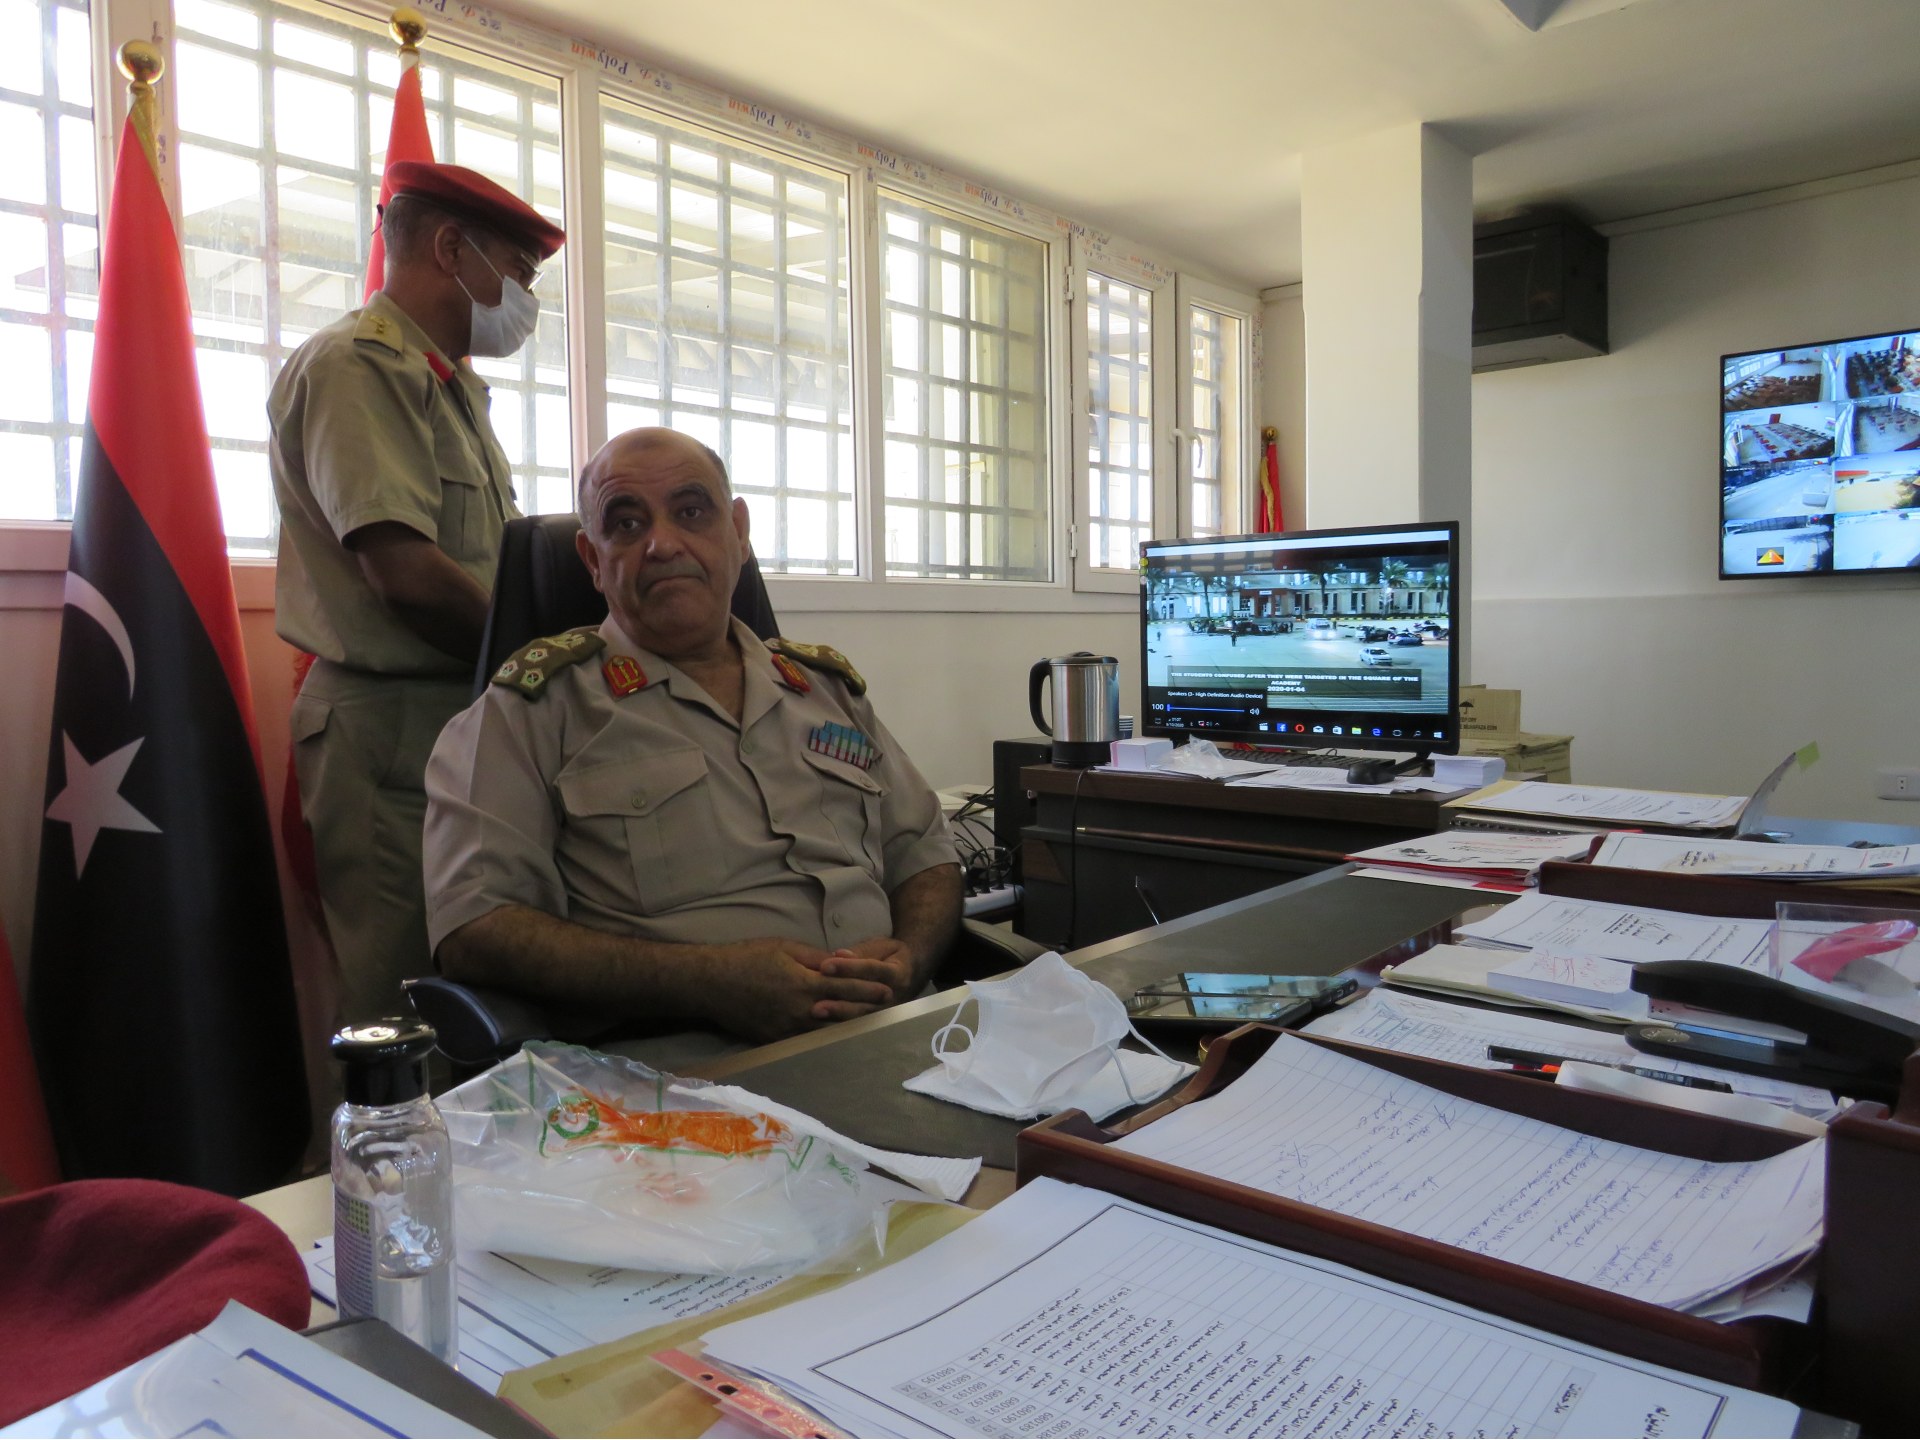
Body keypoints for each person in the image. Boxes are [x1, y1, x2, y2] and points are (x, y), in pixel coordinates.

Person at [421, 428, 964, 1045]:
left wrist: (911, 962)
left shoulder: (826, 691)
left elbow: (926, 854)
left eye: (691, 511)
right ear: (593, 560)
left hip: (904, 1039)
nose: (661, 543)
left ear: (738, 533)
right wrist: (707, 981)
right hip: (685, 1082)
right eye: (626, 524)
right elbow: (475, 928)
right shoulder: (530, 713)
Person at [269, 161, 565, 1022]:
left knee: (485, 1001)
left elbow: (487, 566)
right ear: (450, 248)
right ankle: (390, 1163)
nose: (524, 299)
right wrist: (550, 659)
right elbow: (407, 575)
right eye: (519, 269)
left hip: (460, 715)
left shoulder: (447, 383)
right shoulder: (358, 367)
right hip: (391, 731)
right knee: (409, 1010)